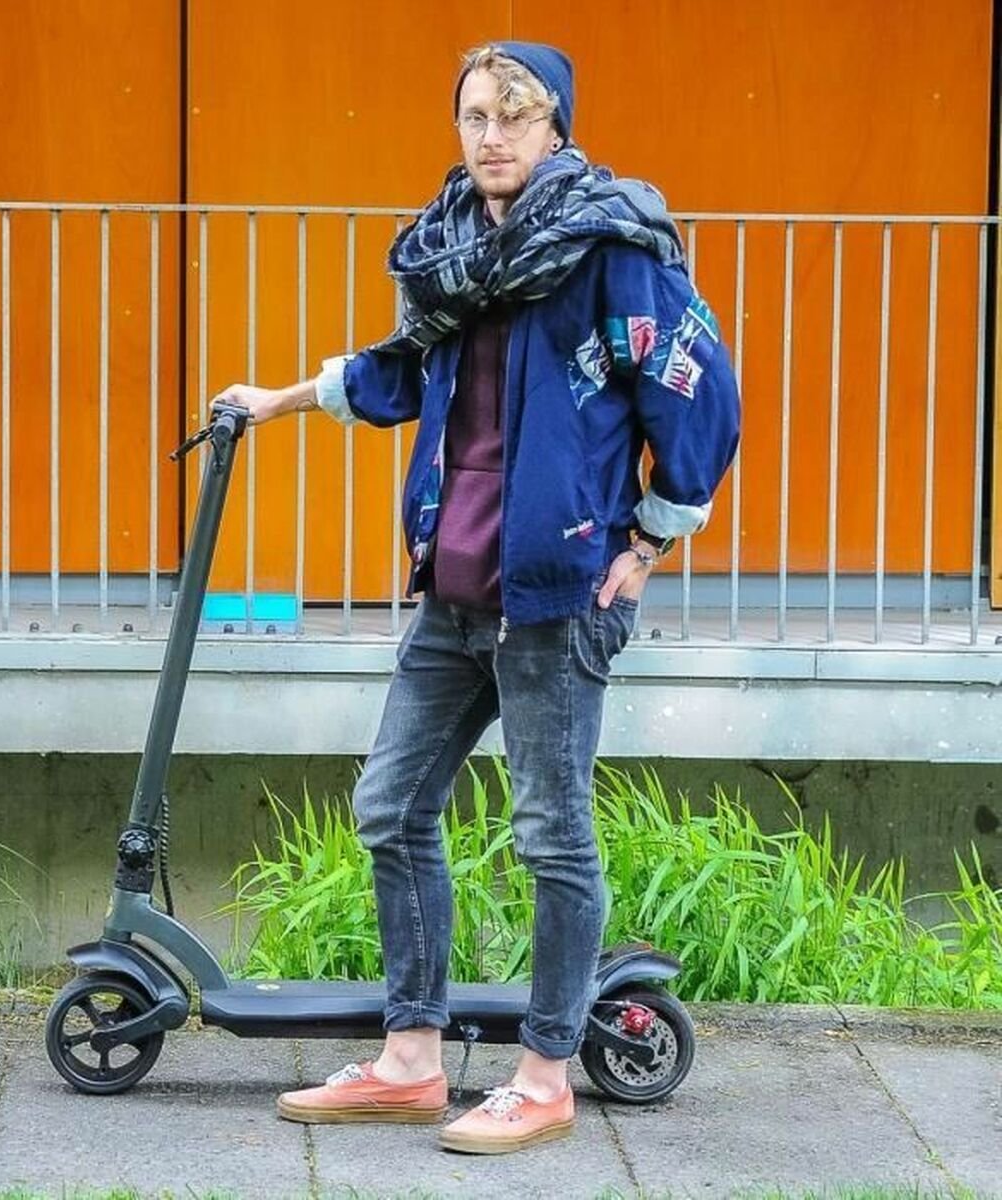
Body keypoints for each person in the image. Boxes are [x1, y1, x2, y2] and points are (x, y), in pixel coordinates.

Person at [214, 40, 740, 1155]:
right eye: (475, 116)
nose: (492, 135)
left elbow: (695, 388)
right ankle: (411, 1062)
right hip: (455, 585)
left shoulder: (608, 248)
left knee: (551, 835)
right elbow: (400, 370)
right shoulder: (456, 251)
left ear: (557, 128)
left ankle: (544, 1075)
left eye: (516, 114)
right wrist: (279, 400)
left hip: (556, 591)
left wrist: (652, 537)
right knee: (392, 807)